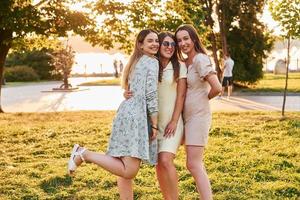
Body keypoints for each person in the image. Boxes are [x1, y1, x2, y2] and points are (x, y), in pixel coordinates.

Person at [67, 29, 160, 199]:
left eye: (156, 40)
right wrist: (154, 123)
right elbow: (151, 94)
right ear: (140, 44)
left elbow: (130, 89)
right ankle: (84, 154)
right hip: (135, 117)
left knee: (121, 166)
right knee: (129, 171)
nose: (155, 44)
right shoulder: (152, 62)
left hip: (125, 112)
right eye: (150, 41)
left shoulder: (136, 61)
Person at [124, 32, 187, 200]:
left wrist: (174, 121)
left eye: (173, 44)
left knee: (166, 160)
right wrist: (127, 93)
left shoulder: (180, 66)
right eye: (166, 43)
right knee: (158, 163)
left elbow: (181, 96)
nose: (170, 47)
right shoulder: (151, 64)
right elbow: (137, 87)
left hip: (171, 122)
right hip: (152, 122)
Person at [175, 24, 222, 200]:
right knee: (194, 164)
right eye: (179, 40)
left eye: (186, 38)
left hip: (198, 117)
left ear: (194, 39)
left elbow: (217, 88)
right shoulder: (185, 62)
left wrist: (202, 100)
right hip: (185, 118)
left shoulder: (200, 59)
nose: (182, 43)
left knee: (193, 164)